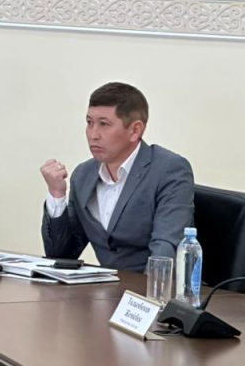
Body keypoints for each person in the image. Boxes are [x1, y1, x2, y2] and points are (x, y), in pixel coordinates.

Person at [40, 82, 193, 272]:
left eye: (104, 124)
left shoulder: (169, 170)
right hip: (106, 287)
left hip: (151, 287)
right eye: (89, 123)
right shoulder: (83, 175)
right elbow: (61, 255)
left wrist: (141, 292)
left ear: (135, 130)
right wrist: (56, 194)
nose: (93, 135)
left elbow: (164, 252)